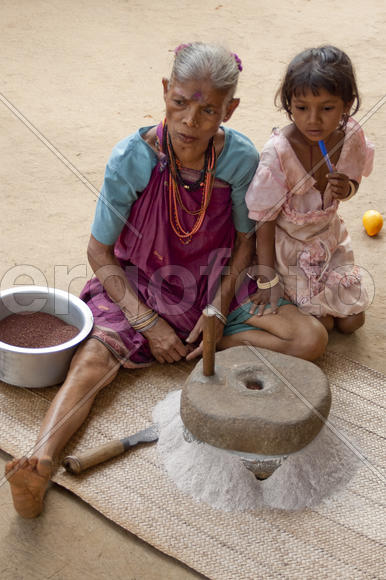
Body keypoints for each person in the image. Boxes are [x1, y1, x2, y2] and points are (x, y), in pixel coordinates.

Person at [5, 42, 327, 518]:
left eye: (208, 110)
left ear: (230, 109)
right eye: (180, 102)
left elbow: (243, 242)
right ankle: (41, 461)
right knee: (92, 359)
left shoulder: (238, 158)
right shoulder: (130, 158)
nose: (190, 122)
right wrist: (149, 322)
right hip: (144, 281)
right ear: (164, 92)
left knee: (310, 338)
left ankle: (207, 342)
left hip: (216, 277)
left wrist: (217, 308)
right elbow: (98, 252)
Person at [245, 45, 374, 333]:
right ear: (289, 103)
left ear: (347, 104)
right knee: (323, 324)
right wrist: (268, 280)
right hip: (286, 249)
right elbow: (263, 221)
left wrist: (347, 188)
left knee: (354, 321)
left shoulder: (350, 136)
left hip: (328, 241)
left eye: (327, 108)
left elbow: (353, 182)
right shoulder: (278, 152)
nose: (313, 120)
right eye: (302, 108)